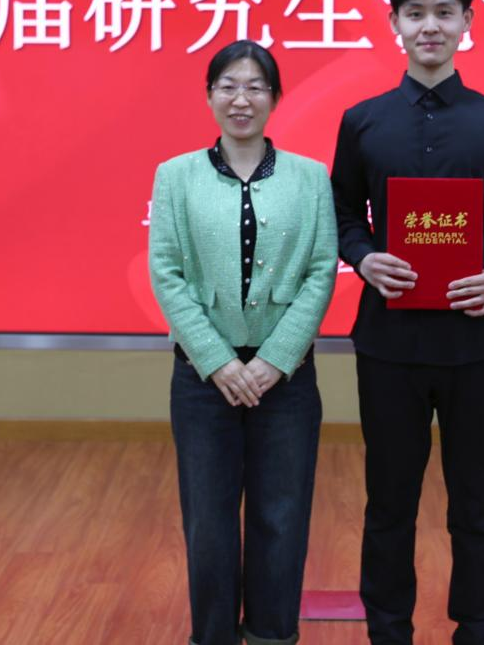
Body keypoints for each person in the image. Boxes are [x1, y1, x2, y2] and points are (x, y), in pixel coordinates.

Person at [330, 0, 484, 645]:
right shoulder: (362, 121)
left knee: (476, 505)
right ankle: (388, 632)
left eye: (444, 12)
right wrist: (364, 256)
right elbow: (342, 213)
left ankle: (476, 631)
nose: (430, 25)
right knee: (388, 504)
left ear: (467, 22)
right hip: (389, 345)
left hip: (476, 343)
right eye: (416, 13)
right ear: (394, 23)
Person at [149, 39, 338, 645]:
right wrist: (218, 361)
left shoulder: (310, 178)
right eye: (228, 86)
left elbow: (321, 271)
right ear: (209, 96)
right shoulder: (175, 176)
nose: (241, 98)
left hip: (286, 381)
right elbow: (167, 273)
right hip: (204, 380)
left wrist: (276, 360)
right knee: (208, 522)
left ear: (275, 98)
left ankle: (273, 635)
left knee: (281, 518)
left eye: (255, 86)